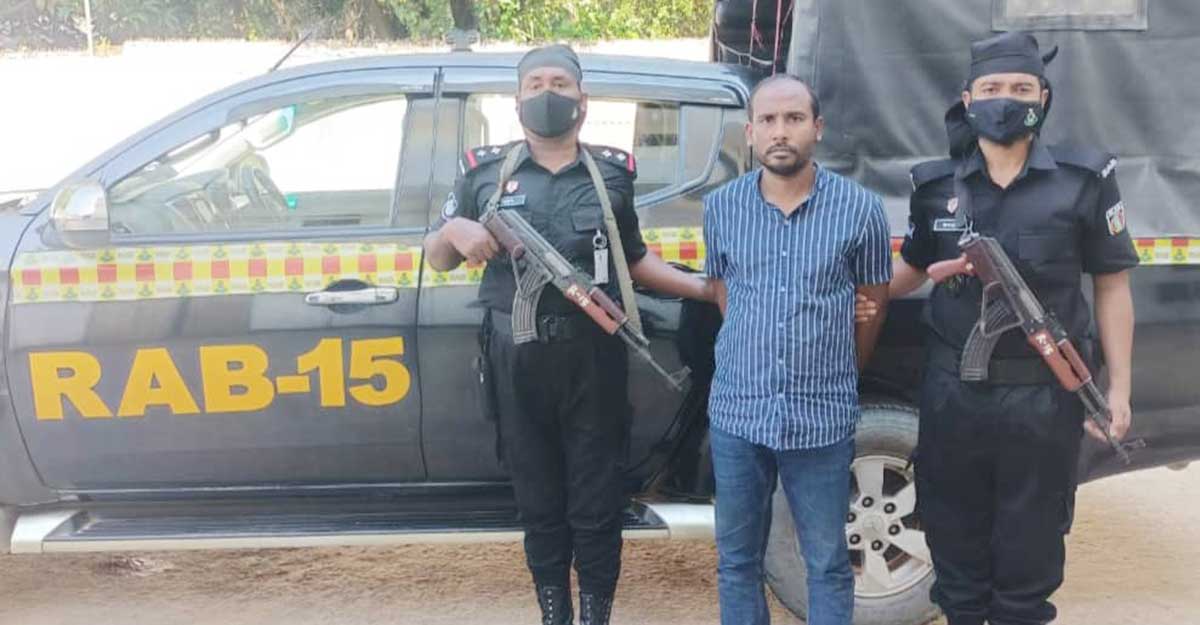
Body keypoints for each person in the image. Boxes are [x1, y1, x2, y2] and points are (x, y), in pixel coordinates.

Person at [422, 44, 717, 625]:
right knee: (537, 494)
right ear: (517, 100)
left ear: (583, 100)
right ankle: (553, 611)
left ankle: (595, 612)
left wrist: (705, 289)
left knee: (597, 494)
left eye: (559, 83)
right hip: (516, 355)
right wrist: (454, 230)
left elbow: (633, 259)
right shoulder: (485, 174)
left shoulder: (611, 175)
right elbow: (436, 255)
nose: (547, 94)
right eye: (535, 84)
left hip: (593, 355)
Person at [890, 31, 1138, 625]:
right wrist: (845, 290)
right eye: (993, 88)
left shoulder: (1084, 179)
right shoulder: (935, 187)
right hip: (953, 396)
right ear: (968, 99)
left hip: (1044, 399)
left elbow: (1112, 285)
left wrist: (1120, 391)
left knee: (1030, 556)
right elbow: (909, 270)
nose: (1006, 99)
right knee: (954, 547)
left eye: (1022, 88)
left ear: (1042, 98)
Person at [702, 73, 893, 625]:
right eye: (767, 120)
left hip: (821, 418)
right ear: (750, 132)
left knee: (827, 562)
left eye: (793, 118)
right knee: (737, 562)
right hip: (738, 414)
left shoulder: (860, 210)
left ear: (818, 127)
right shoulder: (721, 208)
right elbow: (724, 291)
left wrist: (839, 369)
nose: (780, 131)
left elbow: (873, 302)